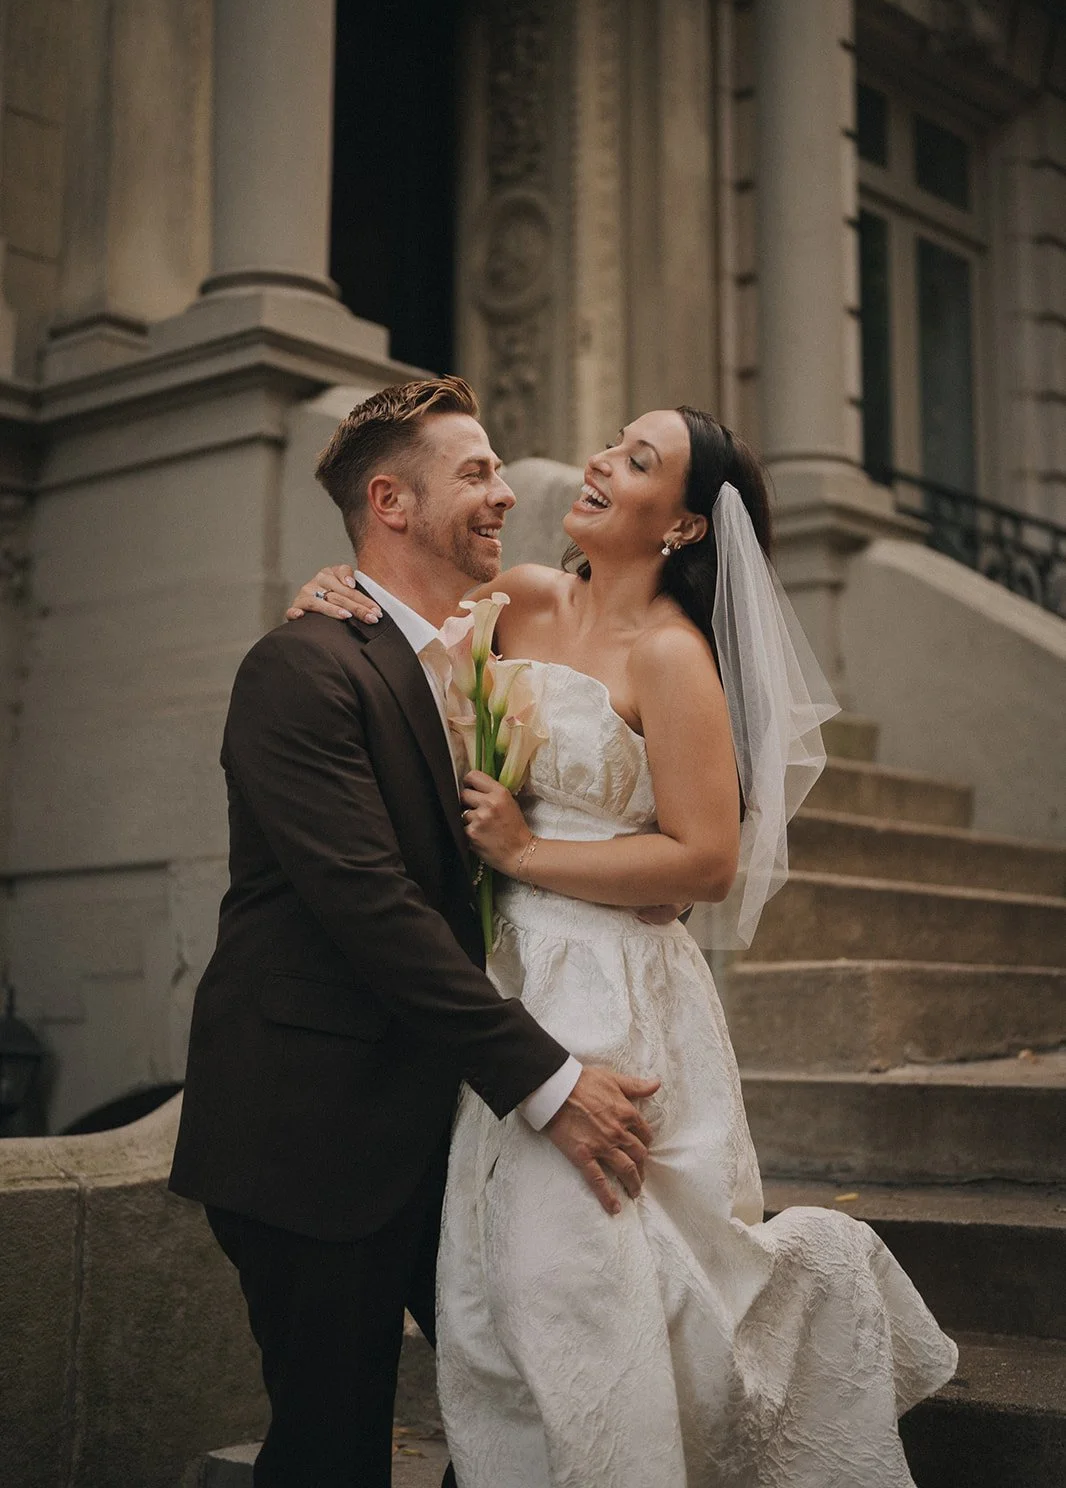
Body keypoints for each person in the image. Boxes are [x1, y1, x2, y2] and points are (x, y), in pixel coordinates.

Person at [291, 400, 958, 1487]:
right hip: (506, 978)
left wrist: (521, 852)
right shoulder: (520, 597)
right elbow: (405, 619)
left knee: (584, 1263)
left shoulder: (675, 656)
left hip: (613, 985)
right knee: (493, 1276)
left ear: (684, 526)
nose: (599, 461)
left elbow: (702, 862)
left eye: (638, 459)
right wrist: (330, 592)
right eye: (611, 442)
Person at [169, 376, 663, 1488]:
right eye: (478, 472)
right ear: (390, 503)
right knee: (331, 1452)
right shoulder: (299, 667)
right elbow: (373, 913)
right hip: (311, 1134)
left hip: (438, 1129)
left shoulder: (465, 667)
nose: (505, 495)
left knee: (525, 1414)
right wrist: (547, 1080)